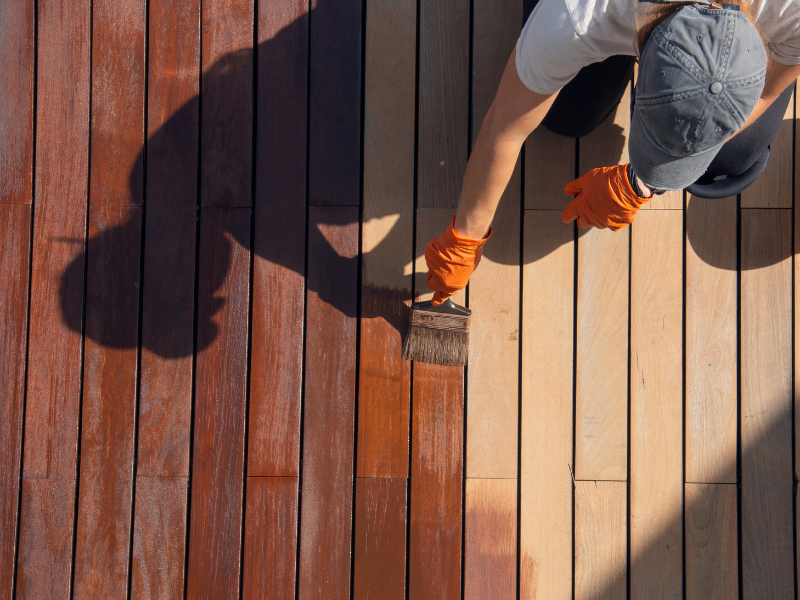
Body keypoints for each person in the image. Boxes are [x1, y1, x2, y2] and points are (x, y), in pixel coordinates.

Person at [423, 0, 800, 307]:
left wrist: (640, 183)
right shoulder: (576, 15)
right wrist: (464, 238)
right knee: (566, 115)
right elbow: (505, 127)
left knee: (728, 160)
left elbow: (765, 93)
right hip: (610, 15)